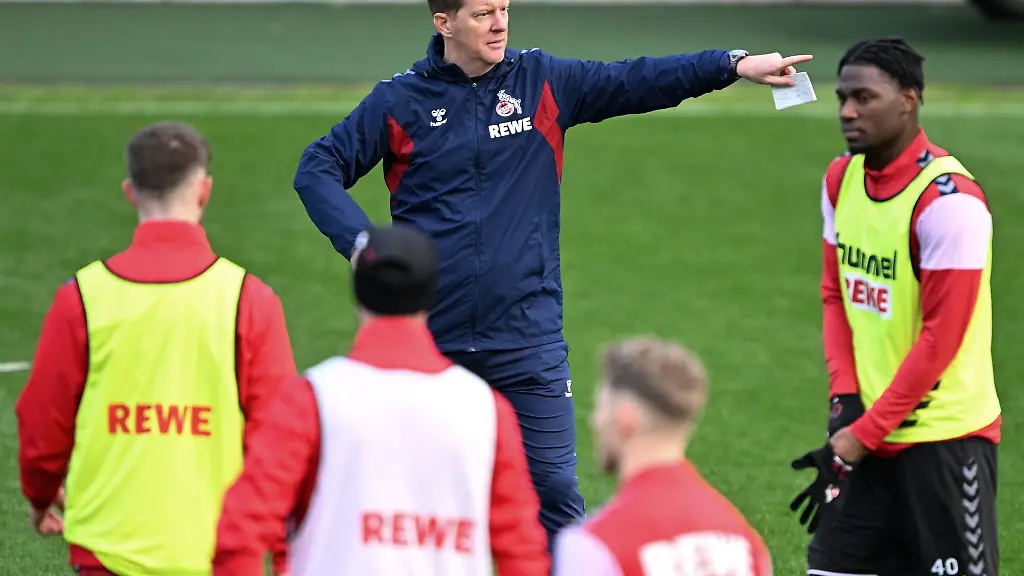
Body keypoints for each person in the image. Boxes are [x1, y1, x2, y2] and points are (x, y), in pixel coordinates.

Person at [292, 0, 812, 542]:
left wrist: (731, 65)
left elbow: (637, 79)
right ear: (443, 23)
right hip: (429, 340)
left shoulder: (543, 82)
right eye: (482, 13)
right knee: (413, 506)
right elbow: (318, 168)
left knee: (556, 498)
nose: (499, 23)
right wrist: (364, 247)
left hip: (526, 340)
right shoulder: (400, 101)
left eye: (504, 9)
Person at [15, 121, 297, 576]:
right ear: (204, 191)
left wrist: (40, 497)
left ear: (130, 192)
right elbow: (281, 442)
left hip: (107, 551)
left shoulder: (82, 298)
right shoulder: (250, 299)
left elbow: (41, 426)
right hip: (221, 554)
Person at [211, 223, 549, 576]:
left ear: (358, 292)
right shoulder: (486, 410)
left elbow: (241, 533)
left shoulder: (312, 398)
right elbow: (522, 552)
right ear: (431, 295)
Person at [789, 37, 1000, 576]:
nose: (847, 111)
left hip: (944, 443)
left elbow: (940, 341)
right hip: (867, 434)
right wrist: (845, 400)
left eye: (864, 97)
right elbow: (835, 293)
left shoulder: (950, 205)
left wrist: (861, 434)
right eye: (842, 98)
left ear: (908, 99)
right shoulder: (841, 178)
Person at [552, 337, 773, 576]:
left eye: (602, 407)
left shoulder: (594, 544)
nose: (595, 420)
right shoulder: (744, 541)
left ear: (625, 419)